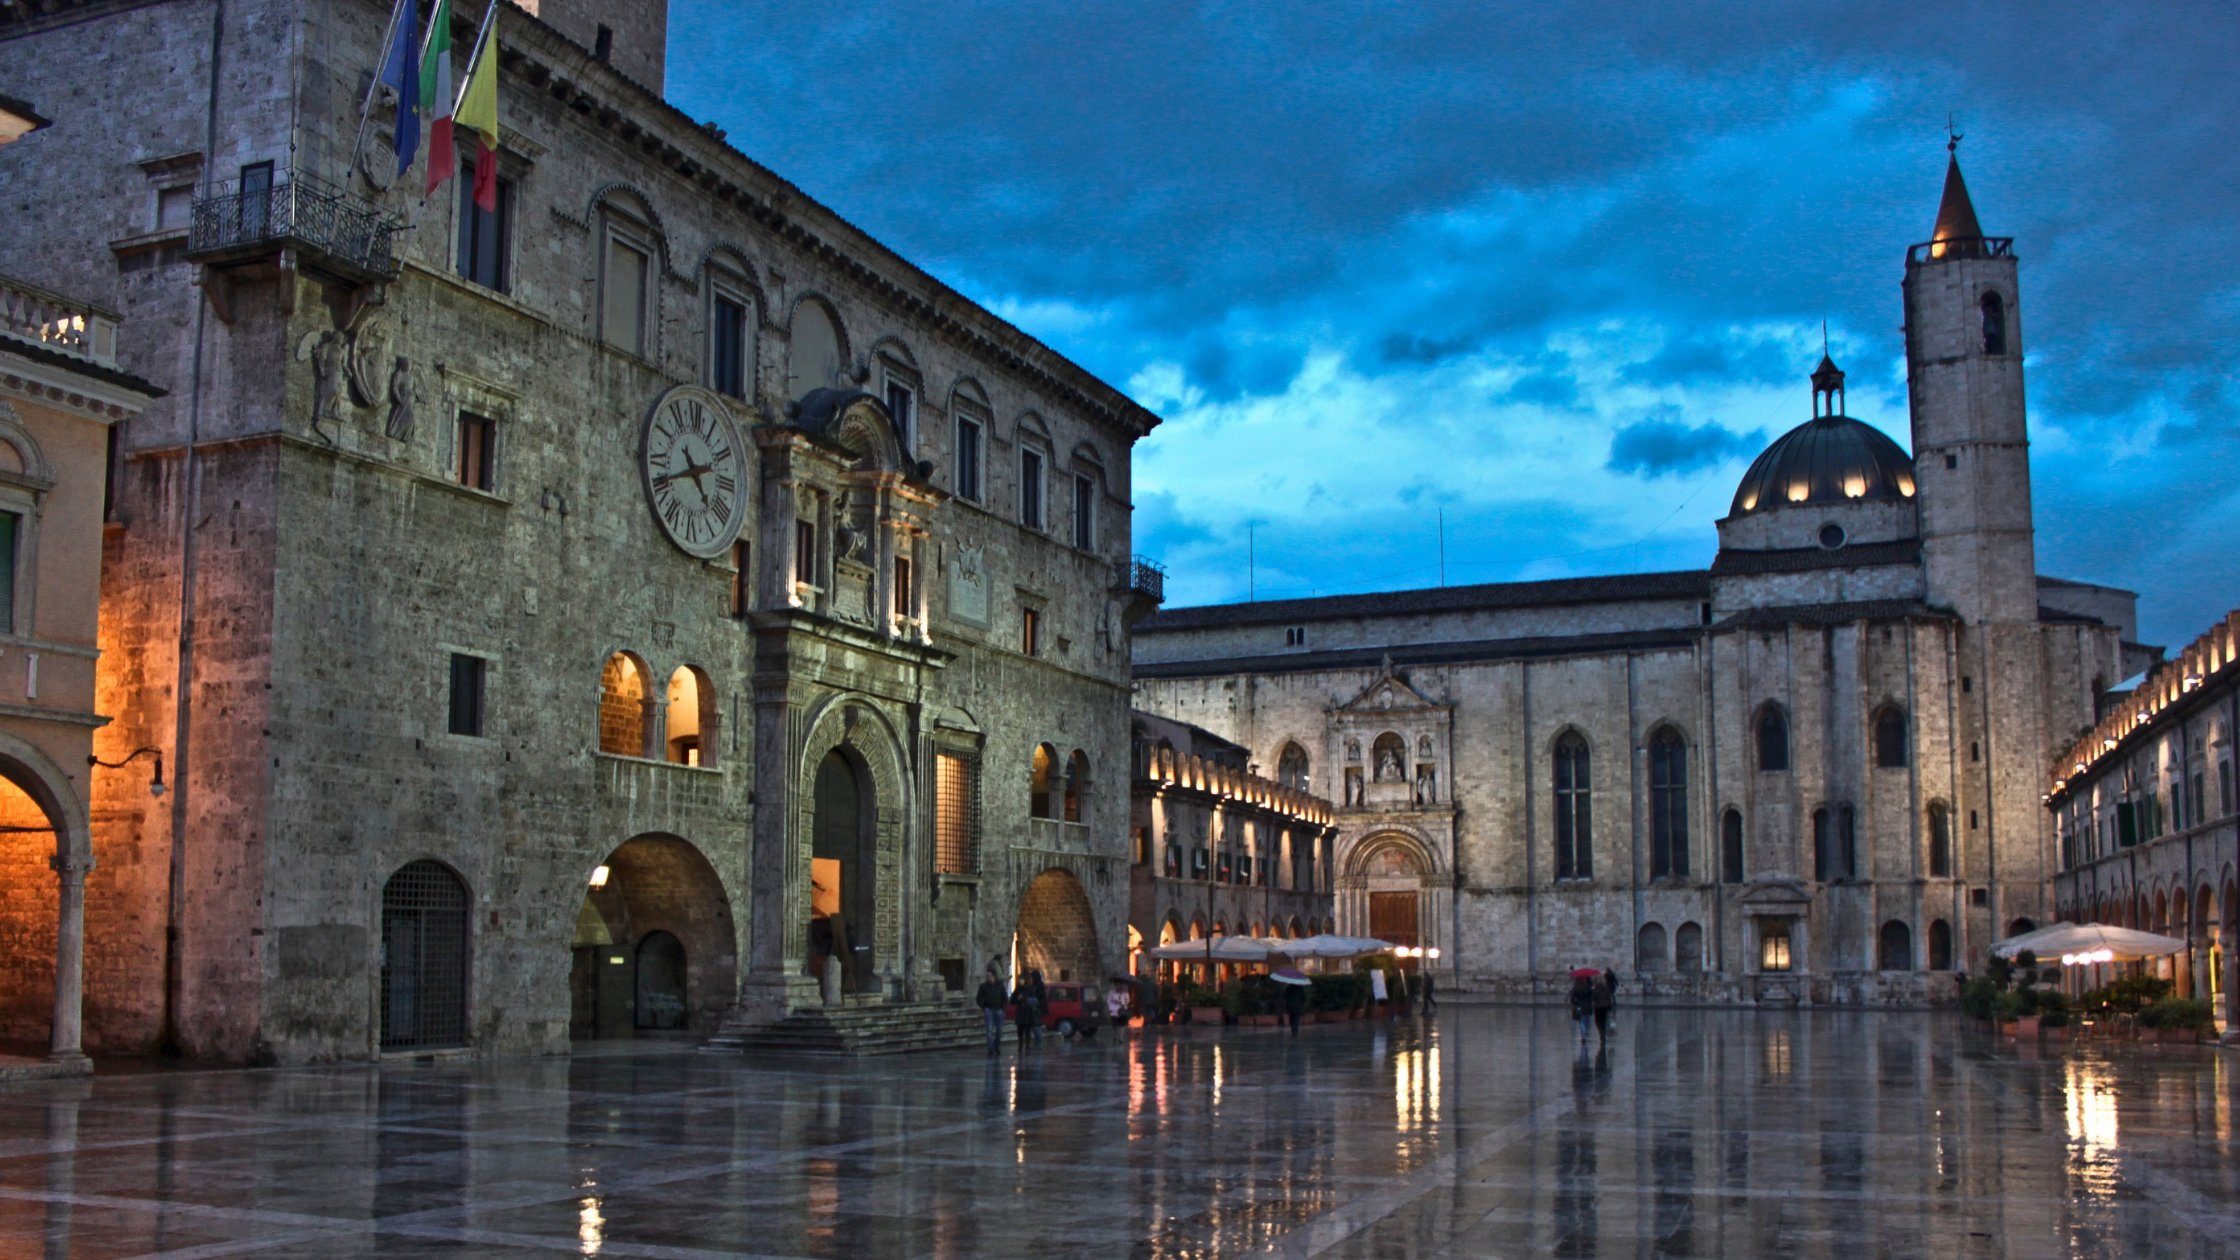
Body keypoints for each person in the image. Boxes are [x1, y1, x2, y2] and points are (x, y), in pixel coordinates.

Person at [975, 966, 1007, 1055]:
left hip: (998, 1009)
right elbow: (978, 998)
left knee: (999, 1031)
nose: (988, 978)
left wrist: (1003, 1007)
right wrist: (983, 1007)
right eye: (987, 976)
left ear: (994, 976)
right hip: (988, 1009)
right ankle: (990, 1049)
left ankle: (996, 1046)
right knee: (989, 1030)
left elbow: (1004, 997)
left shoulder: (1000, 985)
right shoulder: (983, 986)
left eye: (990, 976)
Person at [1010, 974, 1037, 1050]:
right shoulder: (1017, 989)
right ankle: (1020, 1045)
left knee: (1027, 1030)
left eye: (1021, 979)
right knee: (1020, 1030)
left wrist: (1025, 999)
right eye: (1019, 979)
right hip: (1020, 1012)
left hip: (1028, 1011)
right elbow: (1012, 1001)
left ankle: (1027, 1047)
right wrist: (1017, 999)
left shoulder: (1030, 989)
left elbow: (1034, 1000)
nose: (1020, 981)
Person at [1569, 972, 1596, 1043]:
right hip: (1587, 1006)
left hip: (1579, 1007)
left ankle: (1583, 1036)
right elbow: (1592, 997)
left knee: (1581, 1021)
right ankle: (1584, 1035)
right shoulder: (1588, 987)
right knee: (1586, 1021)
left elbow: (1572, 999)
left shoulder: (1576, 988)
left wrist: (1576, 1003)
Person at [1593, 969, 1617, 1043]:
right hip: (1605, 1007)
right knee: (1603, 1021)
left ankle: (1601, 1034)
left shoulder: (1595, 990)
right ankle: (1603, 1033)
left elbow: (1593, 998)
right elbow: (1608, 998)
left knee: (1598, 1021)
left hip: (1598, 1007)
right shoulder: (1606, 989)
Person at [1027, 970, 1049, 1045]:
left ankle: (1038, 1043)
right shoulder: (1034, 986)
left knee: (1037, 1026)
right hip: (1035, 1010)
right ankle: (1037, 1042)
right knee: (1035, 1026)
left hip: (1038, 1009)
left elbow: (1039, 998)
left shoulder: (1039, 986)